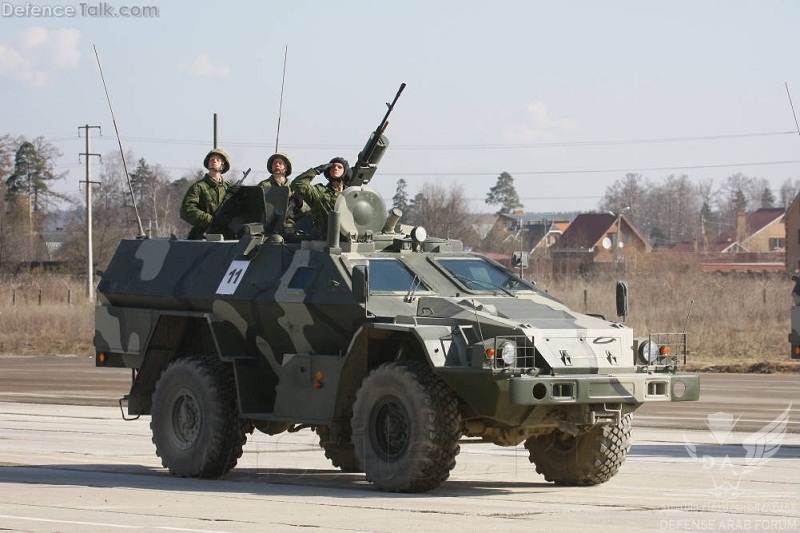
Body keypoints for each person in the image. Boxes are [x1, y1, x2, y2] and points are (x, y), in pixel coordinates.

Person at [180, 148, 232, 239]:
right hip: (202, 235)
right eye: (211, 160)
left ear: (223, 165)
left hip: (225, 235)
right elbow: (187, 210)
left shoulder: (229, 188)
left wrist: (238, 195)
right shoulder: (198, 187)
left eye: (217, 160)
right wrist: (210, 220)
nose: (214, 161)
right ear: (208, 164)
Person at [291, 157, 351, 234]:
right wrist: (316, 171)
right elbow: (297, 184)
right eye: (332, 167)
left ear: (346, 172)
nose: (336, 168)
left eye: (340, 167)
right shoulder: (319, 192)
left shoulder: (350, 194)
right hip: (324, 239)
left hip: (348, 238)